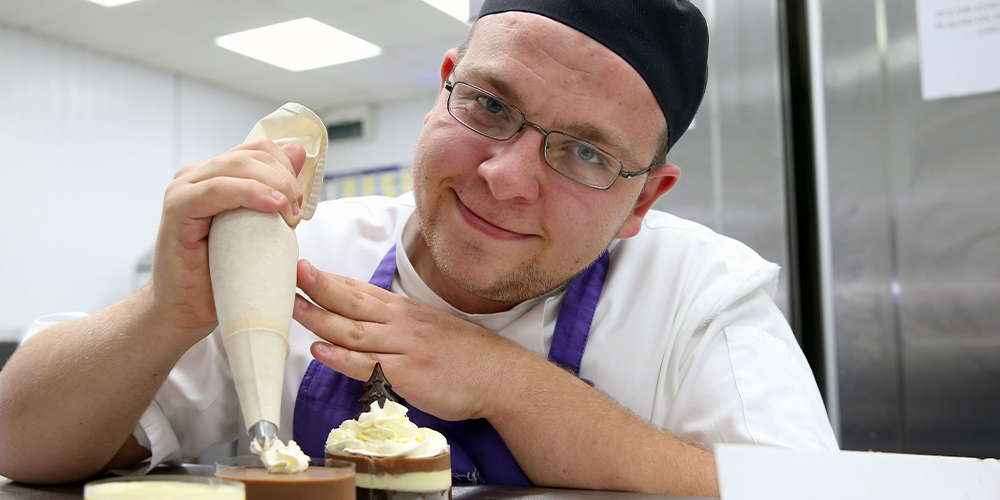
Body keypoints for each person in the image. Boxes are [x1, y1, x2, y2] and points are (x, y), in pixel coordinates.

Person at [0, 0, 837, 496]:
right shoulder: (303, 254)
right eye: (489, 106)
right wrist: (163, 313)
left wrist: (511, 385)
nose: (507, 177)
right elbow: (20, 445)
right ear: (443, 88)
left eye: (586, 153)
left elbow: (814, 494)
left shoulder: (696, 294)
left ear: (643, 199)